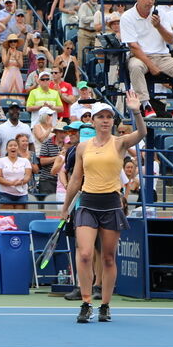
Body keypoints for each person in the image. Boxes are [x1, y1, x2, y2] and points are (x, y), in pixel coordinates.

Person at [61, 93, 146, 323]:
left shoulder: (120, 143)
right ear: (94, 121)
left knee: (108, 258)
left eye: (109, 117)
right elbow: (76, 179)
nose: (105, 120)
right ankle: (87, 302)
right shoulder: (82, 147)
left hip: (111, 204)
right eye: (101, 117)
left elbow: (142, 133)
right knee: (86, 254)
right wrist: (66, 207)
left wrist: (136, 111)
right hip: (87, 204)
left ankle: (105, 305)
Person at [120, 0, 173, 118]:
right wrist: (151, 66)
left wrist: (159, 26)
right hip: (140, 57)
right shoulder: (127, 16)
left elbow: (171, 40)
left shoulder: (161, 14)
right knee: (135, 66)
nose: (150, 2)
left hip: (162, 56)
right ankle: (146, 105)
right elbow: (133, 46)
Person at [0, 138, 33, 210]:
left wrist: (21, 182)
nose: (13, 147)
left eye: (15, 145)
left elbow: (28, 176)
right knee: (7, 217)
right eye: (10, 145)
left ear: (18, 148)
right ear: (6, 149)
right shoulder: (0, 161)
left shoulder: (25, 161)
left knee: (21, 217)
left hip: (22, 194)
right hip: (5, 194)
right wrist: (11, 183)